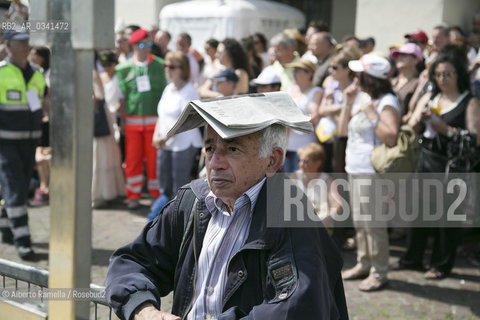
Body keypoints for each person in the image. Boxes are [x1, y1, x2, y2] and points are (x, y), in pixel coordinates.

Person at [105, 94, 348, 320]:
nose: (215, 163)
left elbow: (296, 306)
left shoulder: (290, 213)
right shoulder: (191, 201)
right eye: (210, 148)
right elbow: (132, 261)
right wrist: (142, 309)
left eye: (233, 149)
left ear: (272, 160)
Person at [396, 52, 480, 280]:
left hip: (452, 165)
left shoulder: (469, 102)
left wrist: (446, 130)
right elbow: (412, 126)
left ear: (458, 75)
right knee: (420, 210)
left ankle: (441, 264)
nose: (443, 78)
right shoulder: (431, 97)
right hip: (427, 157)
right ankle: (412, 258)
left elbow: (475, 138)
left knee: (447, 216)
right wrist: (420, 118)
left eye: (448, 74)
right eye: (439, 74)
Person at [338, 53, 401, 291]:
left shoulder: (387, 102)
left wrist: (374, 116)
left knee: (373, 224)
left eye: (358, 74)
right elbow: (343, 131)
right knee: (360, 222)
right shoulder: (362, 98)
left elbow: (391, 137)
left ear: (369, 77)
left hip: (371, 171)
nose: (355, 78)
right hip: (355, 167)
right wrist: (348, 101)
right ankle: (364, 263)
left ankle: (379, 271)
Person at [0, 31, 47, 260]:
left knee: (16, 187)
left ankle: (6, 225)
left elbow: (44, 103)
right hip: (5, 142)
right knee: (15, 188)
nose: (26, 45)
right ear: (7, 45)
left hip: (30, 141)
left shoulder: (37, 74)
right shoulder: (1, 72)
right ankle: (23, 239)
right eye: (20, 41)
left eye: (27, 41)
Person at [115, 28, 167, 209]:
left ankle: (155, 193)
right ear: (134, 46)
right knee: (133, 160)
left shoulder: (161, 65)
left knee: (154, 160)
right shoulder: (122, 69)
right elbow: (121, 98)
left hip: (155, 122)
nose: (146, 48)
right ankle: (133, 195)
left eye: (148, 44)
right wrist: (121, 120)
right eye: (142, 45)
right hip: (132, 123)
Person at [151, 51, 203, 220]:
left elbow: (185, 121)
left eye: (172, 66)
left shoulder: (189, 91)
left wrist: (164, 137)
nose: (168, 69)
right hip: (165, 143)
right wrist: (156, 136)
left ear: (183, 69)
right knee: (164, 187)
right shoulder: (168, 89)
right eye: (166, 66)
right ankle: (162, 219)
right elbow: (162, 115)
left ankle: (171, 219)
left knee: (178, 188)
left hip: (183, 144)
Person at [315, 45, 362, 173]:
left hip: (346, 139)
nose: (330, 71)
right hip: (327, 138)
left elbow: (349, 118)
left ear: (347, 69)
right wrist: (342, 108)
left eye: (335, 67)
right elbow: (321, 111)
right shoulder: (331, 84)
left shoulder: (356, 89)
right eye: (330, 67)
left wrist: (331, 108)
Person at [92, 51, 126, 209]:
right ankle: (101, 192)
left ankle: (107, 191)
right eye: (104, 64)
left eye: (109, 64)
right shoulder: (97, 75)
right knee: (101, 155)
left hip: (108, 116)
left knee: (108, 154)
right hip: (105, 116)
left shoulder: (118, 77)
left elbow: (120, 99)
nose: (107, 67)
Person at [290, 143, 341, 232]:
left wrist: (324, 222)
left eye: (306, 161)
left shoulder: (327, 180)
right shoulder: (293, 178)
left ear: (318, 163)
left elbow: (337, 205)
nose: (301, 165)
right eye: (300, 161)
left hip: (321, 227)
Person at [284, 59, 323, 173]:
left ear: (309, 73)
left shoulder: (316, 91)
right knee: (287, 183)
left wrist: (293, 121)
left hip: (306, 147)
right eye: (294, 70)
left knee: (303, 183)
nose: (294, 73)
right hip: (287, 146)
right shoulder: (290, 89)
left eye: (298, 70)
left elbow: (314, 117)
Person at [28, 46, 51, 206]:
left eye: (34, 53)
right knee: (40, 155)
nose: (31, 55)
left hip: (49, 118)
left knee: (46, 154)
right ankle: (43, 186)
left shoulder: (42, 73)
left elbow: (46, 96)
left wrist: (44, 112)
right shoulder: (31, 72)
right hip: (38, 118)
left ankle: (46, 186)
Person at [390, 43, 423, 118]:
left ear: (416, 60)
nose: (399, 58)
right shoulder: (391, 81)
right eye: (397, 55)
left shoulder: (419, 82)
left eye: (404, 55)